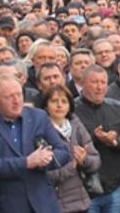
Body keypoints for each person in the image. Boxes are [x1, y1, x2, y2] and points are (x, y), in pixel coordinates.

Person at [0, 75, 70, 213]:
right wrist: (26, 162)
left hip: (43, 204)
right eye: (9, 97)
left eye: (19, 95)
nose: (16, 101)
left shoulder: (38, 116)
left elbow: (63, 151)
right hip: (5, 206)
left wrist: (45, 159)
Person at [74, 65, 120, 213]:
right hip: (85, 187)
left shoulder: (117, 107)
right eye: (94, 82)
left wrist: (116, 141)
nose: (99, 87)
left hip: (115, 185)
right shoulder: (72, 109)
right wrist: (94, 138)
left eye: (103, 82)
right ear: (83, 83)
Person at [42, 85, 101, 213]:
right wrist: (71, 166)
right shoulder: (39, 131)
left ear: (70, 106)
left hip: (81, 201)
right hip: (54, 204)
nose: (59, 105)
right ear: (46, 106)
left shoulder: (76, 125)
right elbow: (44, 175)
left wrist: (84, 160)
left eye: (64, 101)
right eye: (54, 101)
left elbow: (96, 161)